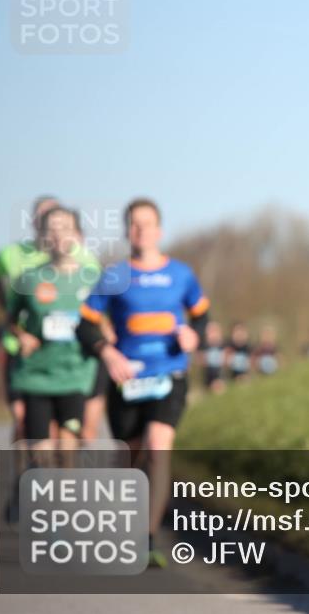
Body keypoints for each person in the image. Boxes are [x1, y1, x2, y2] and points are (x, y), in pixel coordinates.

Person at [75, 198, 210, 568]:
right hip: (128, 380)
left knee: (158, 446)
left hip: (170, 375)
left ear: (159, 230)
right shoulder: (114, 276)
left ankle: (147, 539)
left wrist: (194, 336)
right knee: (131, 459)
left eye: (147, 223)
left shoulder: (181, 274)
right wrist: (108, 354)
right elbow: (85, 325)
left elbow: (201, 317)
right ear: (126, 231)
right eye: (134, 224)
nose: (141, 231)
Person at [0, 195, 100, 442]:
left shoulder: (88, 267)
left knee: (71, 438)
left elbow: (101, 314)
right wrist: (20, 331)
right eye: (49, 225)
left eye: (64, 226)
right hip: (29, 361)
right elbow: (8, 308)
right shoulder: (18, 261)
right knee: (24, 424)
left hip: (73, 365)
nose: (57, 233)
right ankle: (24, 463)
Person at [202, 321, 227, 394]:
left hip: (220, 372)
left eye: (214, 332)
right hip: (209, 373)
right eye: (210, 332)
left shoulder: (223, 345)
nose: (213, 335)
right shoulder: (205, 346)